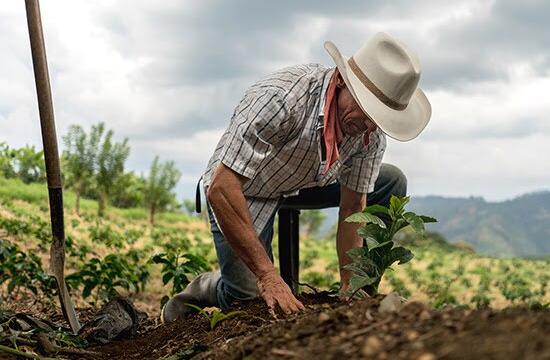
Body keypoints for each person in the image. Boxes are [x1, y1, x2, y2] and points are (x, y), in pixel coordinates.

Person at [161, 32, 432, 323]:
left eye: (379, 119)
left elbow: (354, 207)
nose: (369, 126)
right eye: (367, 111)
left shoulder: (369, 133)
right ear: (341, 81)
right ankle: (208, 286)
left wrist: (350, 285)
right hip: (245, 188)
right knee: (248, 298)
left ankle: (362, 292)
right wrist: (267, 275)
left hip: (306, 181)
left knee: (391, 181)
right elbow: (222, 188)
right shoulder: (281, 99)